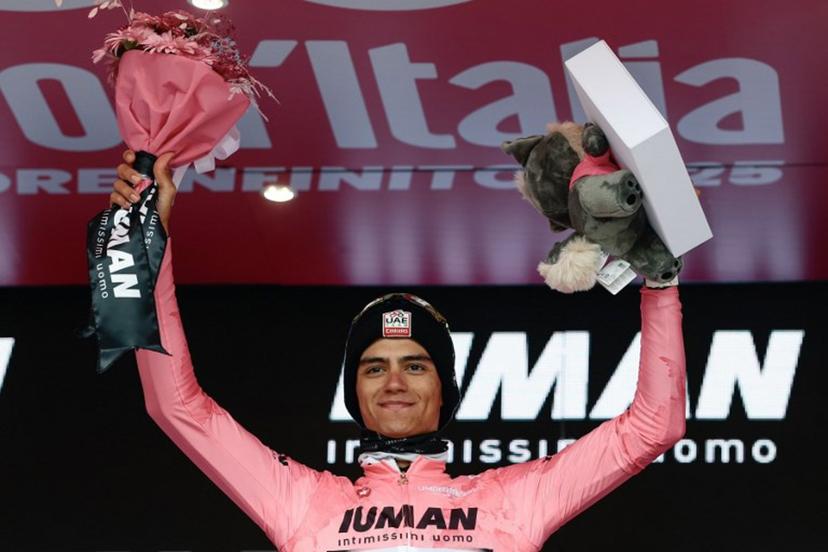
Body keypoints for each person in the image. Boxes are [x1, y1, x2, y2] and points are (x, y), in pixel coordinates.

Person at [110, 150, 686, 552]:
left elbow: (653, 427)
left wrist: (659, 287)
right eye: (373, 367)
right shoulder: (301, 501)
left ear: (446, 387)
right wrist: (143, 248)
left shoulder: (513, 501)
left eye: (415, 364)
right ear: (353, 391)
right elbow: (177, 407)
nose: (393, 383)